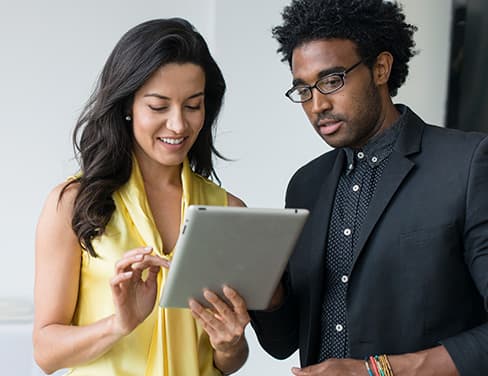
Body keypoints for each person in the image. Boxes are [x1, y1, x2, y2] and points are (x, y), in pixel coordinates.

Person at [250, 1, 488, 375]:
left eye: (331, 81)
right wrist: (259, 284)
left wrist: (377, 371)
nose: (317, 105)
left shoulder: (467, 164)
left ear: (381, 68)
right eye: (303, 90)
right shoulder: (305, 186)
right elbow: (283, 343)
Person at [33, 18, 250, 376]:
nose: (179, 125)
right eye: (158, 106)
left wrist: (231, 343)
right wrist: (118, 324)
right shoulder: (73, 203)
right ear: (127, 105)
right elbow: (45, 352)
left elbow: (225, 363)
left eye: (193, 106)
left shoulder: (228, 211)